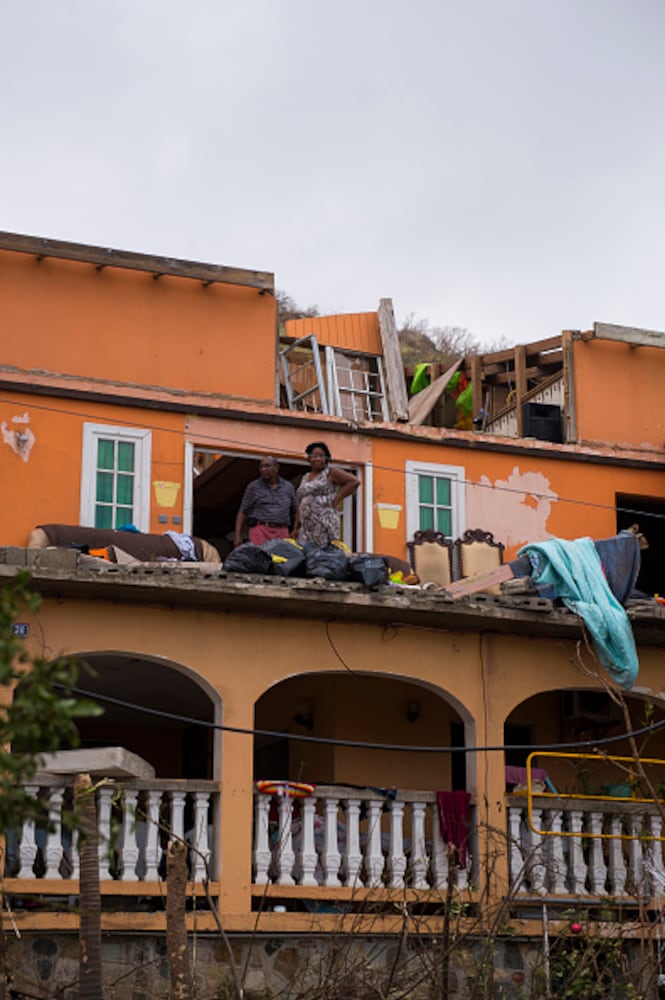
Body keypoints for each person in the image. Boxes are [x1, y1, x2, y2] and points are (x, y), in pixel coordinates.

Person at [293, 442, 359, 547]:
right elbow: (301, 503)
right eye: (314, 456)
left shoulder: (331, 473)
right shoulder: (305, 477)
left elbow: (354, 482)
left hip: (325, 524)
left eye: (321, 456)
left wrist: (337, 499)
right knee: (307, 555)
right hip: (307, 527)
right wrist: (296, 528)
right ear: (309, 458)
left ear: (326, 458)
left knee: (324, 557)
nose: (317, 459)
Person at [234, 456, 297, 547]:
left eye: (267, 466)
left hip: (282, 531)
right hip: (260, 530)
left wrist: (295, 530)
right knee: (261, 559)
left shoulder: (288, 487)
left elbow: (296, 511)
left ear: (276, 468)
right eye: (261, 467)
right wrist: (237, 535)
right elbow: (243, 511)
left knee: (282, 559)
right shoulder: (253, 487)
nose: (263, 469)